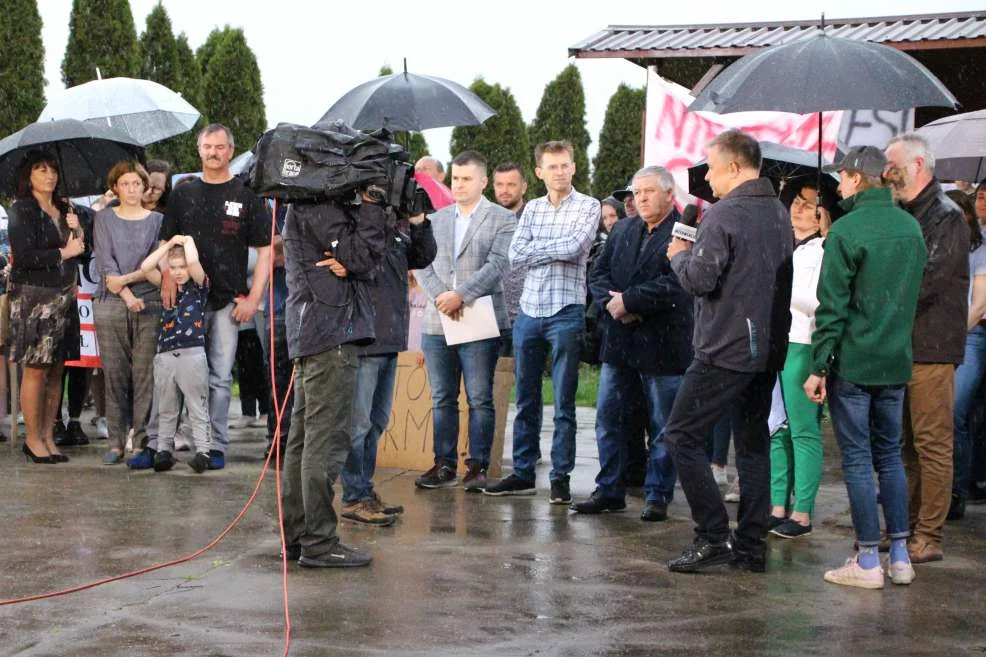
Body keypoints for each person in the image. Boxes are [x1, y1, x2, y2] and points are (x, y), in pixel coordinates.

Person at [663, 129, 793, 573]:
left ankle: (713, 535)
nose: (708, 179)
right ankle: (752, 546)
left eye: (713, 169)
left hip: (725, 347)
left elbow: (700, 279)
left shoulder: (724, 215)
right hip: (768, 346)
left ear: (735, 167)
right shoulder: (778, 211)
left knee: (681, 435)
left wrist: (679, 254)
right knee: (753, 445)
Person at [804, 145, 926, 589]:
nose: (837, 184)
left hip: (854, 362)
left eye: (842, 176)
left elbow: (831, 308)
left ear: (857, 178)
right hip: (895, 360)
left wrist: (818, 367)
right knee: (890, 456)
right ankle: (899, 557)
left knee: (858, 461)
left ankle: (867, 561)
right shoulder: (911, 227)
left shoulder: (847, 230)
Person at [571, 166, 692, 521]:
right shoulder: (622, 229)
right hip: (620, 341)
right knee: (609, 419)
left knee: (661, 424)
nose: (640, 199)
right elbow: (598, 273)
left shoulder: (684, 233)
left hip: (663, 344)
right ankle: (609, 489)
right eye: (636, 193)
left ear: (670, 195)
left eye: (649, 192)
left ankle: (658, 494)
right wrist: (613, 304)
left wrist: (632, 302)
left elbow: (679, 283)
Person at [484, 141, 599, 503]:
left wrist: (541, 250)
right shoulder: (531, 209)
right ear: (539, 172)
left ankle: (561, 476)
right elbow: (515, 256)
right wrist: (552, 249)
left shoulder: (589, 205)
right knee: (526, 397)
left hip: (566, 311)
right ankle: (522, 472)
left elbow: (576, 248)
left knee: (564, 402)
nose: (559, 172)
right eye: (552, 167)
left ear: (574, 168)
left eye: (565, 165)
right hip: (529, 313)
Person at [280, 184, 389, 568]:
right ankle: (318, 542)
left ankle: (298, 536)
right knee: (323, 441)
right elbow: (361, 255)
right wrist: (374, 207)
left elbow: (360, 260)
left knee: (304, 440)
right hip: (329, 333)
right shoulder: (322, 207)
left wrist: (356, 256)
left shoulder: (305, 203)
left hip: (314, 331)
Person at [151, 123, 272, 471]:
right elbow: (165, 244)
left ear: (231, 152)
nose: (213, 153)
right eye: (207, 146)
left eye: (220, 147)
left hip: (227, 301)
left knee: (219, 376)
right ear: (199, 150)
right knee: (175, 374)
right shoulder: (183, 193)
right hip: (184, 301)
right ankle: (167, 444)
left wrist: (253, 298)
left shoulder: (246, 195)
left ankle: (215, 446)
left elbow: (264, 252)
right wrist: (165, 278)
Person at [884, 133, 969, 564]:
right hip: (902, 345)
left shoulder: (947, 216)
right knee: (903, 443)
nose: (886, 173)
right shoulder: (901, 212)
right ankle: (903, 526)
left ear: (918, 166)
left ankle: (929, 535)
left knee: (931, 442)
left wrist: (881, 294)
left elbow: (929, 279)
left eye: (892, 165)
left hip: (931, 346)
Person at [413, 151, 516, 490]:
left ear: (483, 181)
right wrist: (443, 296)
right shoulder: (436, 219)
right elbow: (420, 261)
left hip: (479, 319)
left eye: (467, 178)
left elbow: (499, 264)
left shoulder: (501, 218)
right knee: (442, 397)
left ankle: (477, 466)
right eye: (455, 178)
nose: (459, 184)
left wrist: (462, 295)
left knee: (479, 397)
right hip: (437, 320)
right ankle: (443, 464)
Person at [340, 206, 436, 523]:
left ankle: (364, 491)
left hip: (391, 336)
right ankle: (354, 496)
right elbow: (355, 258)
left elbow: (422, 256)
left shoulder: (399, 224)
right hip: (365, 335)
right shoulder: (359, 218)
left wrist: (419, 220)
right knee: (358, 425)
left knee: (377, 422)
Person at [7, 150, 85, 464]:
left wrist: (77, 227)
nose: (49, 175)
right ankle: (33, 440)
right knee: (36, 369)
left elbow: (80, 249)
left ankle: (49, 436)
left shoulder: (66, 207)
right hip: (33, 298)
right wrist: (63, 253)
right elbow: (24, 256)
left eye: (53, 169)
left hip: (65, 295)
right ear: (28, 176)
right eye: (41, 170)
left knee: (57, 370)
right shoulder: (21, 209)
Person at [768, 180, 835, 538]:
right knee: (776, 428)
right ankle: (778, 504)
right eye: (795, 201)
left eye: (809, 205)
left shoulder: (826, 249)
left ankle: (803, 512)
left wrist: (783, 295)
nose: (798, 209)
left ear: (823, 212)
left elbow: (822, 302)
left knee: (804, 430)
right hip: (776, 343)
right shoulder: (783, 244)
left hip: (804, 344)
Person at [92, 160, 164, 465]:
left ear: (144, 186)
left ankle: (142, 440)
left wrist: (129, 285)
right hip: (110, 302)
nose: (132, 189)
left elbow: (154, 263)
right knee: (115, 373)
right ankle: (115, 442)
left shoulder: (158, 220)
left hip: (150, 301)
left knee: (145, 374)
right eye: (125, 184)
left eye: (137, 183)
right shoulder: (104, 219)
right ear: (115, 188)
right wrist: (124, 292)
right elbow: (106, 262)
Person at [139, 235, 211, 472]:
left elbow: (193, 263)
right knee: (166, 407)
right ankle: (163, 450)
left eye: (182, 267)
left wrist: (187, 240)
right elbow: (145, 267)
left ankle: (203, 451)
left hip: (192, 354)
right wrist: (168, 247)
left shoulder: (200, 286)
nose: (179, 272)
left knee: (196, 406)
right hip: (165, 354)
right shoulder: (165, 286)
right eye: (174, 267)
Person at [947, 188, 986, 520]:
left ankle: (957, 490)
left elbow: (980, 303)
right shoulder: (939, 246)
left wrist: (955, 336)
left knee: (956, 412)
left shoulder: (980, 249)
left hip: (970, 337)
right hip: (936, 339)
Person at [492, 162, 528, 357]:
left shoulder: (534, 219)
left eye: (511, 185)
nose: (504, 190)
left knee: (523, 382)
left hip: (524, 316)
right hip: (490, 316)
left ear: (523, 186)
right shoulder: (486, 219)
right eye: (500, 184)